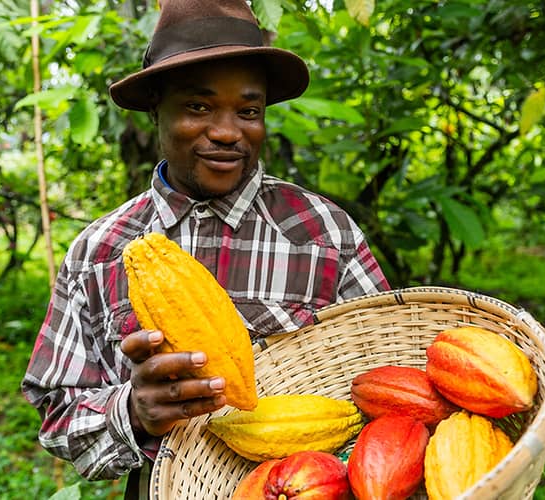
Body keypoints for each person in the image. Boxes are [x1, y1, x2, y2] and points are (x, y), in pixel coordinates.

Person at [20, 0, 389, 496]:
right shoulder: (99, 250)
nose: (226, 132)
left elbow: (389, 380)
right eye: (198, 107)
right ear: (156, 106)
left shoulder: (323, 232)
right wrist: (133, 411)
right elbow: (58, 414)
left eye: (249, 111)